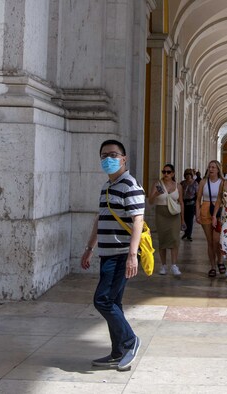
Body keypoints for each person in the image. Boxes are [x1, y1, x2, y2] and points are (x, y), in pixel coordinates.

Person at [81, 139, 143, 371]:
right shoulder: (107, 187)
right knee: (113, 301)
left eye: (114, 155)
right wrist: (89, 248)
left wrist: (132, 255)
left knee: (102, 300)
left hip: (120, 254)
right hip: (107, 253)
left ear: (124, 158)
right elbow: (100, 219)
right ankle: (118, 351)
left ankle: (130, 341)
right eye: (104, 155)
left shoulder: (130, 185)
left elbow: (138, 219)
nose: (108, 159)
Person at [148, 164, 184, 276]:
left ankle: (174, 265)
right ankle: (163, 265)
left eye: (168, 172)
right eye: (164, 172)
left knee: (174, 239)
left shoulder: (178, 186)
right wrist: (156, 194)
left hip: (174, 215)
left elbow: (181, 202)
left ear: (173, 173)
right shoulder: (157, 184)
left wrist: (183, 220)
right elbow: (150, 201)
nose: (166, 174)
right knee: (162, 239)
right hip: (161, 213)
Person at [196, 160, 224, 277]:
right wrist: (197, 214)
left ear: (218, 169)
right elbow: (198, 200)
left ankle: (220, 261)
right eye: (210, 167)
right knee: (210, 241)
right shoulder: (203, 182)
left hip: (219, 212)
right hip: (205, 210)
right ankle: (212, 266)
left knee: (217, 240)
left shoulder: (222, 182)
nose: (211, 169)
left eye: (213, 167)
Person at [180, 168, 198, 241]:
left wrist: (196, 205)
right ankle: (185, 232)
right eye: (187, 174)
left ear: (192, 175)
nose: (188, 176)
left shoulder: (195, 183)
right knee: (184, 218)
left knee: (190, 220)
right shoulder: (182, 183)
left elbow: (197, 194)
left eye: (189, 174)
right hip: (183, 202)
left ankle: (189, 234)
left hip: (191, 203)